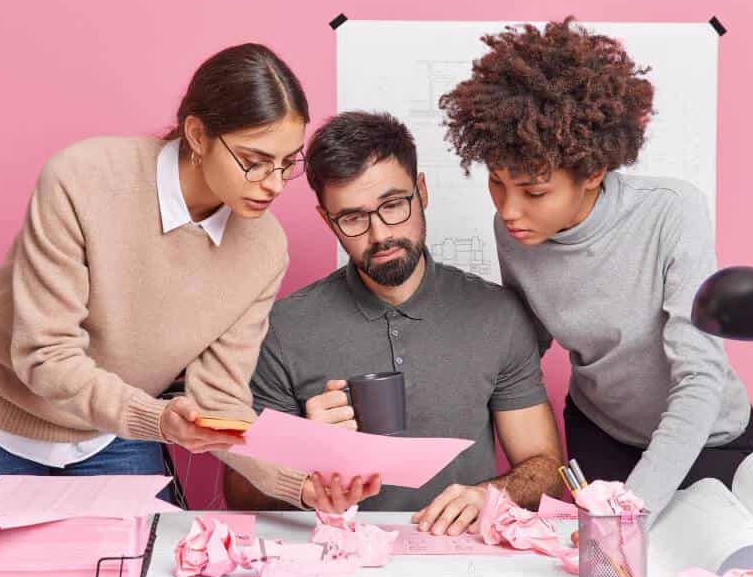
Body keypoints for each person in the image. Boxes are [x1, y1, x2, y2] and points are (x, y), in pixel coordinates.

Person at [0, 43, 342, 512]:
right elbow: (45, 356)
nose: (272, 182)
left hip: (112, 429)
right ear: (196, 134)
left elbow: (220, 402)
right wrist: (159, 419)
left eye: (288, 163)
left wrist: (301, 486)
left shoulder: (264, 247)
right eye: (254, 160)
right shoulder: (83, 180)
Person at [439, 18, 753, 520]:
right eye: (497, 183)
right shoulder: (518, 228)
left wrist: (631, 510)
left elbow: (700, 375)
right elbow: (527, 344)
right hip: (599, 433)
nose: (508, 209)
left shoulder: (673, 212)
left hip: (708, 440)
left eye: (534, 191)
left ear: (592, 172)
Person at [224, 111, 564, 536]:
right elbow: (238, 494)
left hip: (460, 555)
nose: (380, 234)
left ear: (421, 191)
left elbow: (548, 471)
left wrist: (492, 495)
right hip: (335, 561)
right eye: (352, 218)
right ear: (326, 219)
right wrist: (303, 447)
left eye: (393, 205)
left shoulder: (497, 314)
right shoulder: (281, 328)